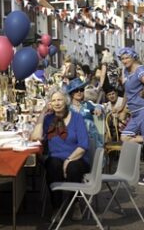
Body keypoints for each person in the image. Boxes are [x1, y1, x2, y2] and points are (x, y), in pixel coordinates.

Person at [31, 89, 90, 220]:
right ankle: (56, 207)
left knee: (73, 168)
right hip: (56, 158)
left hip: (77, 157)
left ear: (66, 101)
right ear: (50, 104)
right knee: (52, 164)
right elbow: (36, 137)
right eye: (53, 100)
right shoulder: (48, 119)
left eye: (60, 99)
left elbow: (83, 145)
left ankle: (74, 204)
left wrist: (69, 160)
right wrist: (42, 114)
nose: (57, 103)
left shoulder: (77, 118)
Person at [117, 47, 144, 186]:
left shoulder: (140, 70)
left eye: (127, 58)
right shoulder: (126, 71)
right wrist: (122, 106)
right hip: (135, 112)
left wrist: (142, 94)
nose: (124, 61)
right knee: (125, 137)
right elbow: (127, 91)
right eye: (122, 58)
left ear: (134, 57)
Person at [66, 78, 104, 150]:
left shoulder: (88, 104)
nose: (79, 92)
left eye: (81, 90)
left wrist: (98, 107)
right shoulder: (68, 108)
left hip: (91, 138)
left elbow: (100, 107)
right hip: (75, 139)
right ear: (71, 93)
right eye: (76, 90)